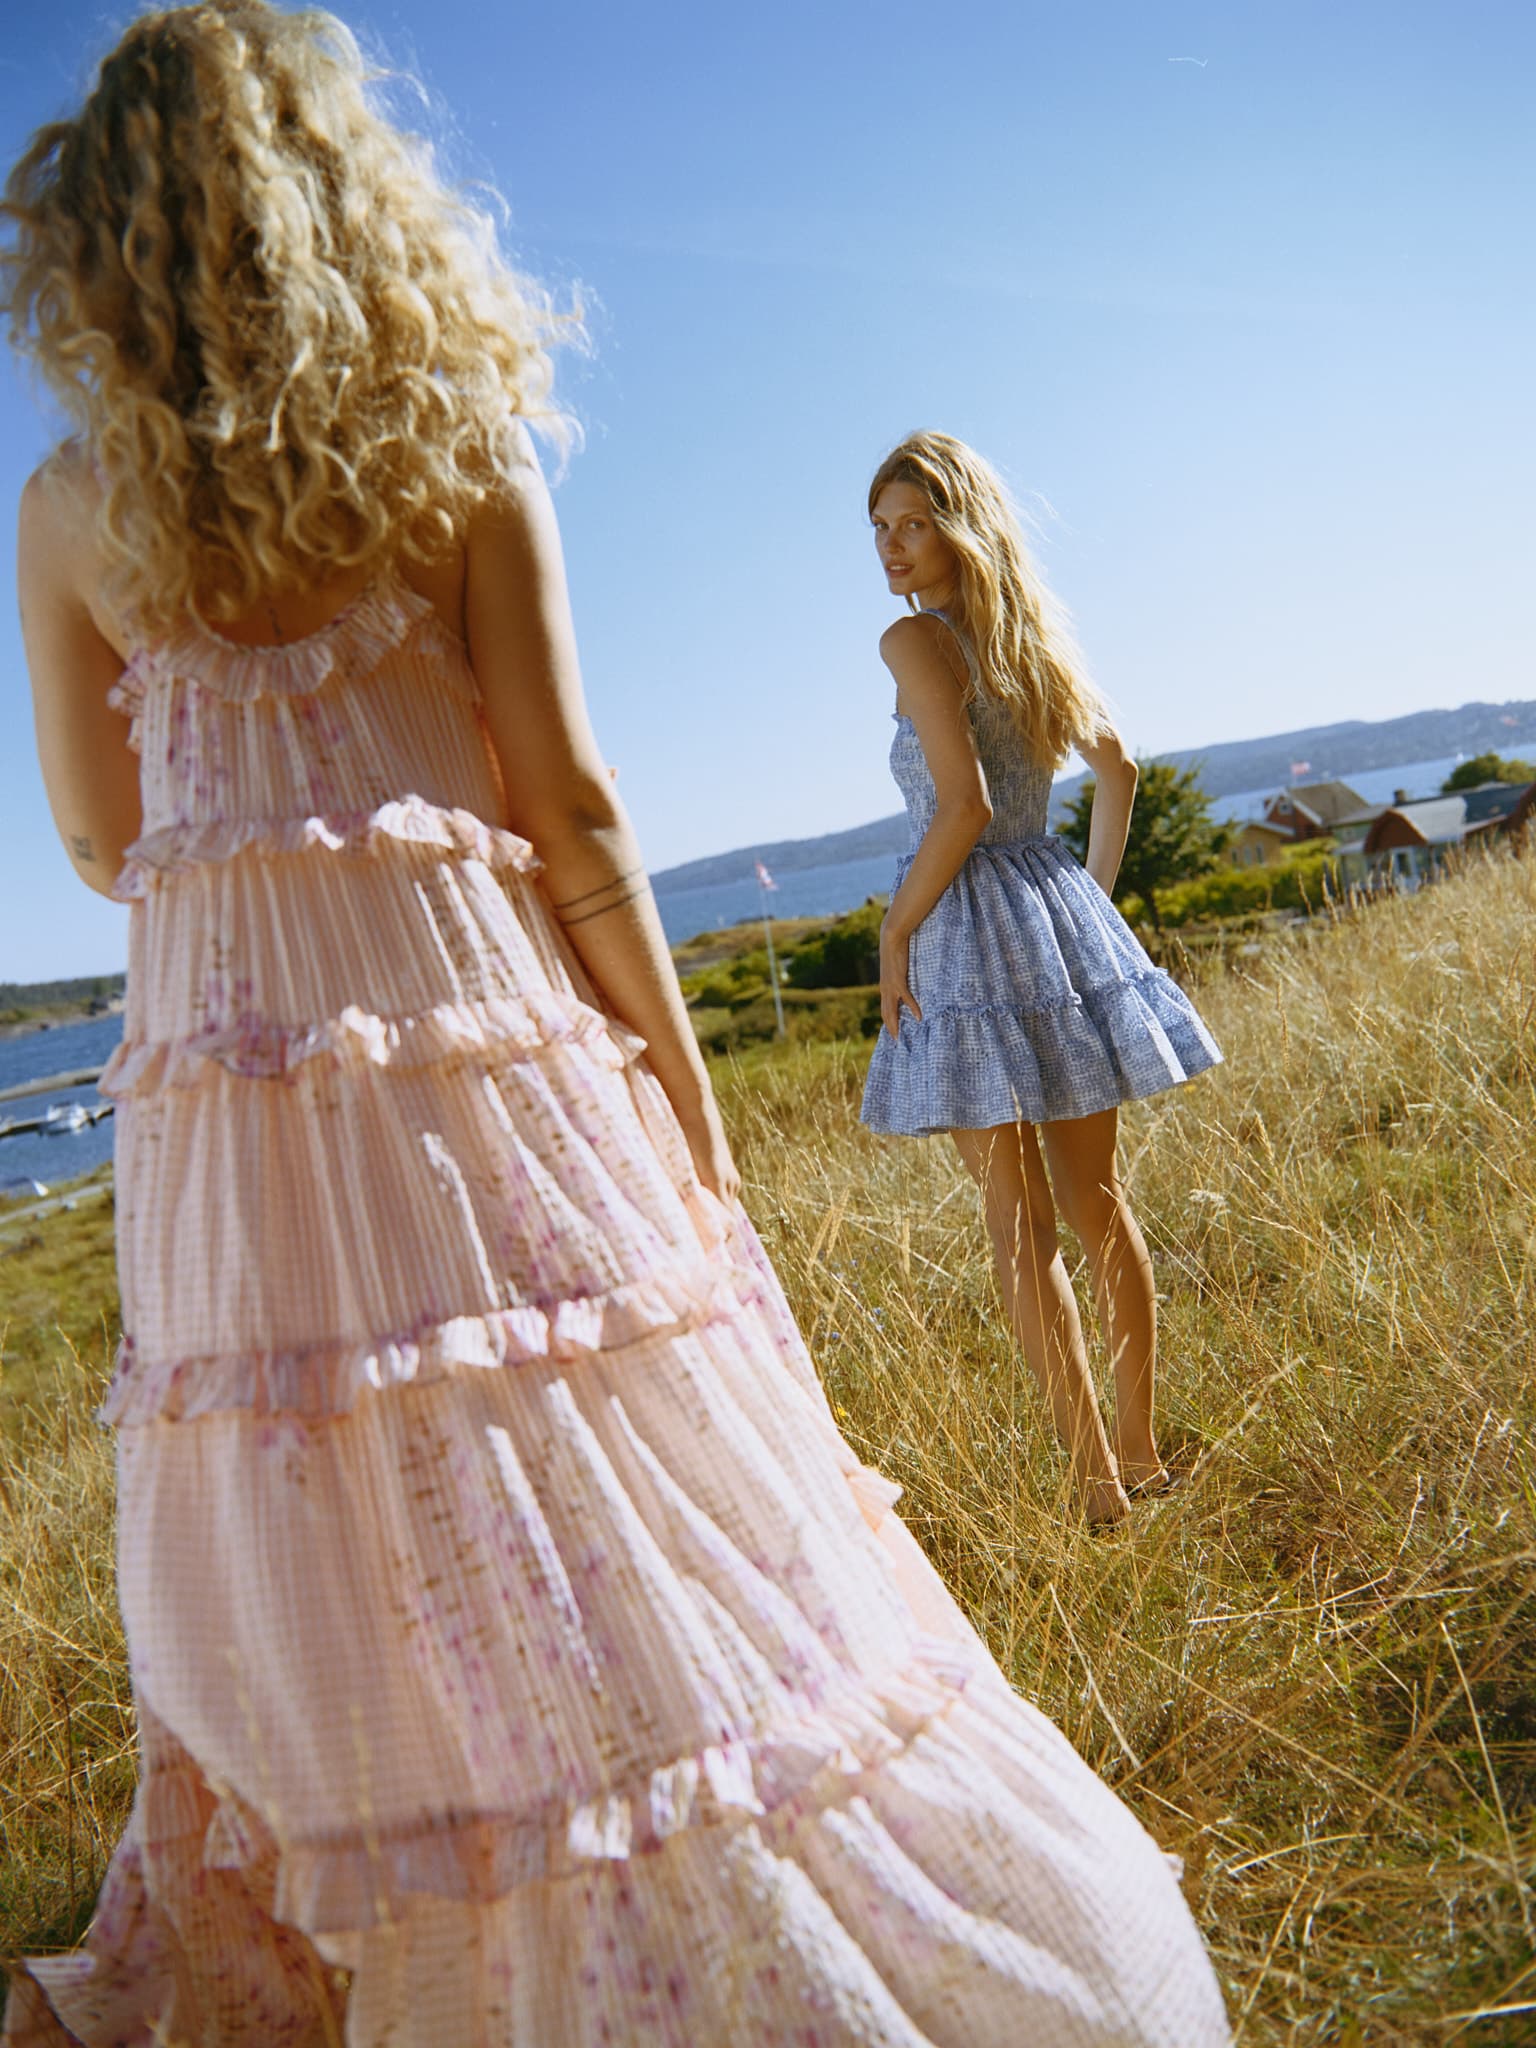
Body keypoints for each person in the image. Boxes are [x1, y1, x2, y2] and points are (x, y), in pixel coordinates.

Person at [1, 9, 1230, 2042]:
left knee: (305, 1486)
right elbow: (569, 813)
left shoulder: (68, 510)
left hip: (231, 1093)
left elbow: (97, 833)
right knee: (584, 1435)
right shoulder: (452, 449)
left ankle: (393, 1884)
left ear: (94, 247)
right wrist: (678, 1093)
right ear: (344, 202)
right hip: (477, 1037)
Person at [861, 433, 1223, 1529]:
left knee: (1019, 1228)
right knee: (1097, 1206)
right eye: (879, 528)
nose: (891, 547)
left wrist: (895, 930)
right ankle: (1141, 1454)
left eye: (913, 523)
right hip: (1052, 915)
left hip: (963, 931)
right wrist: (1089, 908)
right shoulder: (1031, 638)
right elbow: (1120, 770)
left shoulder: (916, 640)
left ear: (960, 527)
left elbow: (962, 807)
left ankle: (1099, 1488)